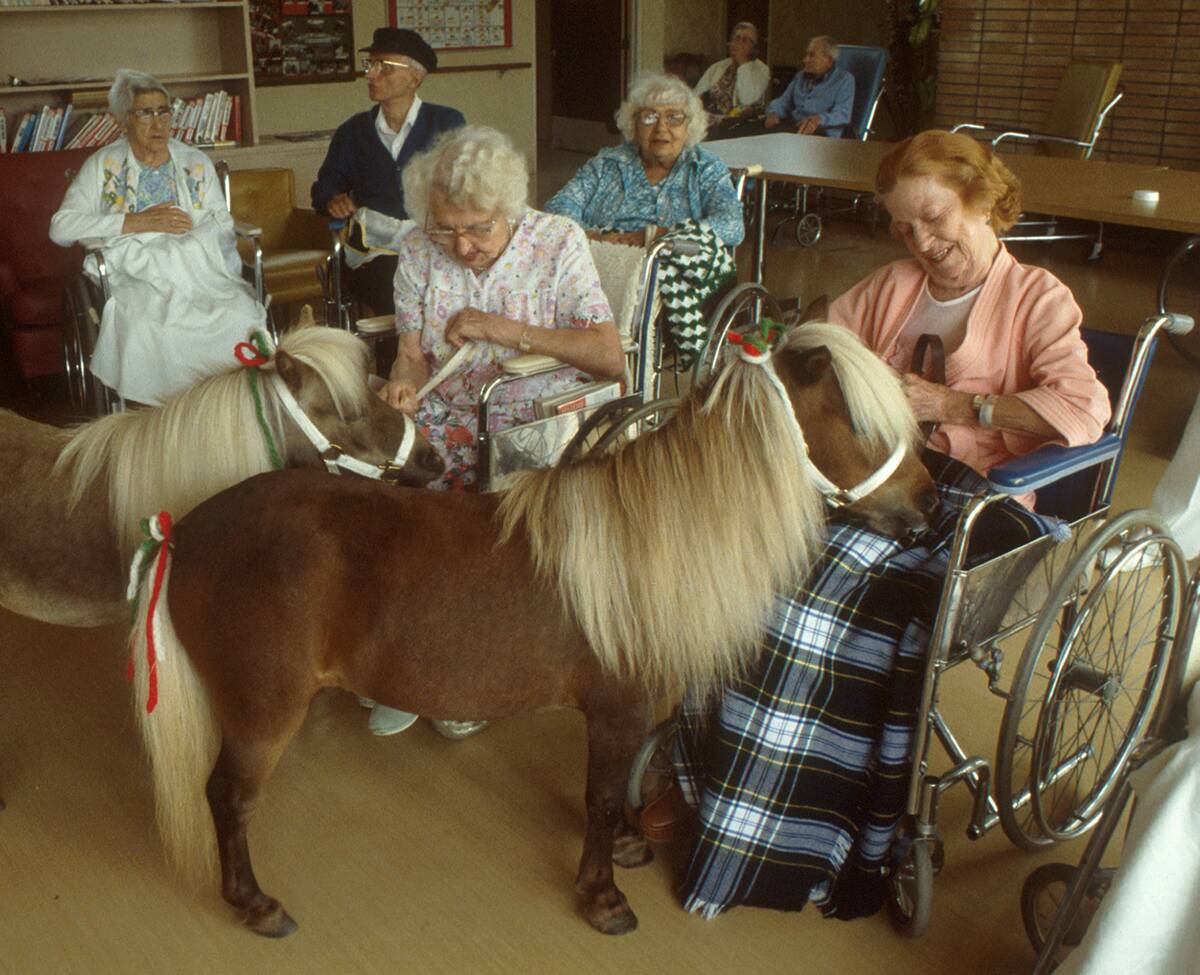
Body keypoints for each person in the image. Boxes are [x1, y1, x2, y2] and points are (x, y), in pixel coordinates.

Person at [648, 130, 1111, 922]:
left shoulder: (1039, 298)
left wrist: (954, 406)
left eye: (933, 219)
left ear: (982, 197)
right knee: (744, 563)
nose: (921, 242)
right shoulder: (892, 286)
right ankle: (713, 785)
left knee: (804, 606)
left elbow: (1084, 411)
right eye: (903, 227)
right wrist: (760, 354)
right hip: (873, 488)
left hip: (977, 505)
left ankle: (810, 828)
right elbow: (815, 353)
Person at [364, 124, 624, 737]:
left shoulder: (557, 241)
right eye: (446, 227)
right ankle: (404, 656)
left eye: (478, 227)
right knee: (377, 473)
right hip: (448, 407)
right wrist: (403, 381)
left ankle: (467, 671)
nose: (460, 245)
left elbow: (608, 356)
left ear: (509, 210)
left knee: (453, 504)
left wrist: (504, 330)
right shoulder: (418, 246)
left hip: (536, 411)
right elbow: (410, 353)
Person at [50, 69, 264, 406]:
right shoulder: (103, 166)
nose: (158, 122)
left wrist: (189, 238)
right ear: (124, 121)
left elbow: (221, 224)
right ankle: (162, 417)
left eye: (164, 111)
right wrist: (137, 222)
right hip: (134, 271)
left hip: (197, 269)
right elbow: (61, 228)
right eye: (145, 113)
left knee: (239, 315)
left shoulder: (195, 163)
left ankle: (226, 410)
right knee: (150, 328)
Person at [311, 27, 465, 320]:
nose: (370, 75)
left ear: (414, 78)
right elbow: (324, 186)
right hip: (376, 251)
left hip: (436, 244)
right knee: (393, 286)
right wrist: (333, 198)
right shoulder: (353, 131)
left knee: (449, 287)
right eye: (370, 65)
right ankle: (393, 360)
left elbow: (468, 184)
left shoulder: (446, 123)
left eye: (384, 67)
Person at [544, 72, 744, 248]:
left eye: (673, 117)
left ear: (689, 126)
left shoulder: (705, 168)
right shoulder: (607, 163)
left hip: (673, 273)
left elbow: (732, 226)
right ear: (634, 123)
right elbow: (559, 206)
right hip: (601, 264)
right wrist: (592, 238)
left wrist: (652, 237)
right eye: (649, 117)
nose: (661, 128)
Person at [764, 35, 854, 137]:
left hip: (822, 134)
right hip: (794, 128)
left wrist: (818, 119)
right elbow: (784, 100)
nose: (805, 60)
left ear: (828, 60)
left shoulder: (844, 80)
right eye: (806, 55)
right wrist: (773, 113)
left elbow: (843, 114)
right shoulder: (801, 76)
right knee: (757, 133)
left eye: (811, 55)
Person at [694, 22, 771, 140]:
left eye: (745, 40)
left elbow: (747, 100)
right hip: (711, 123)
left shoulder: (762, 70)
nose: (738, 43)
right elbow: (695, 95)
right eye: (736, 38)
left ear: (754, 49)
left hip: (740, 127)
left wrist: (743, 63)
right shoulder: (718, 67)